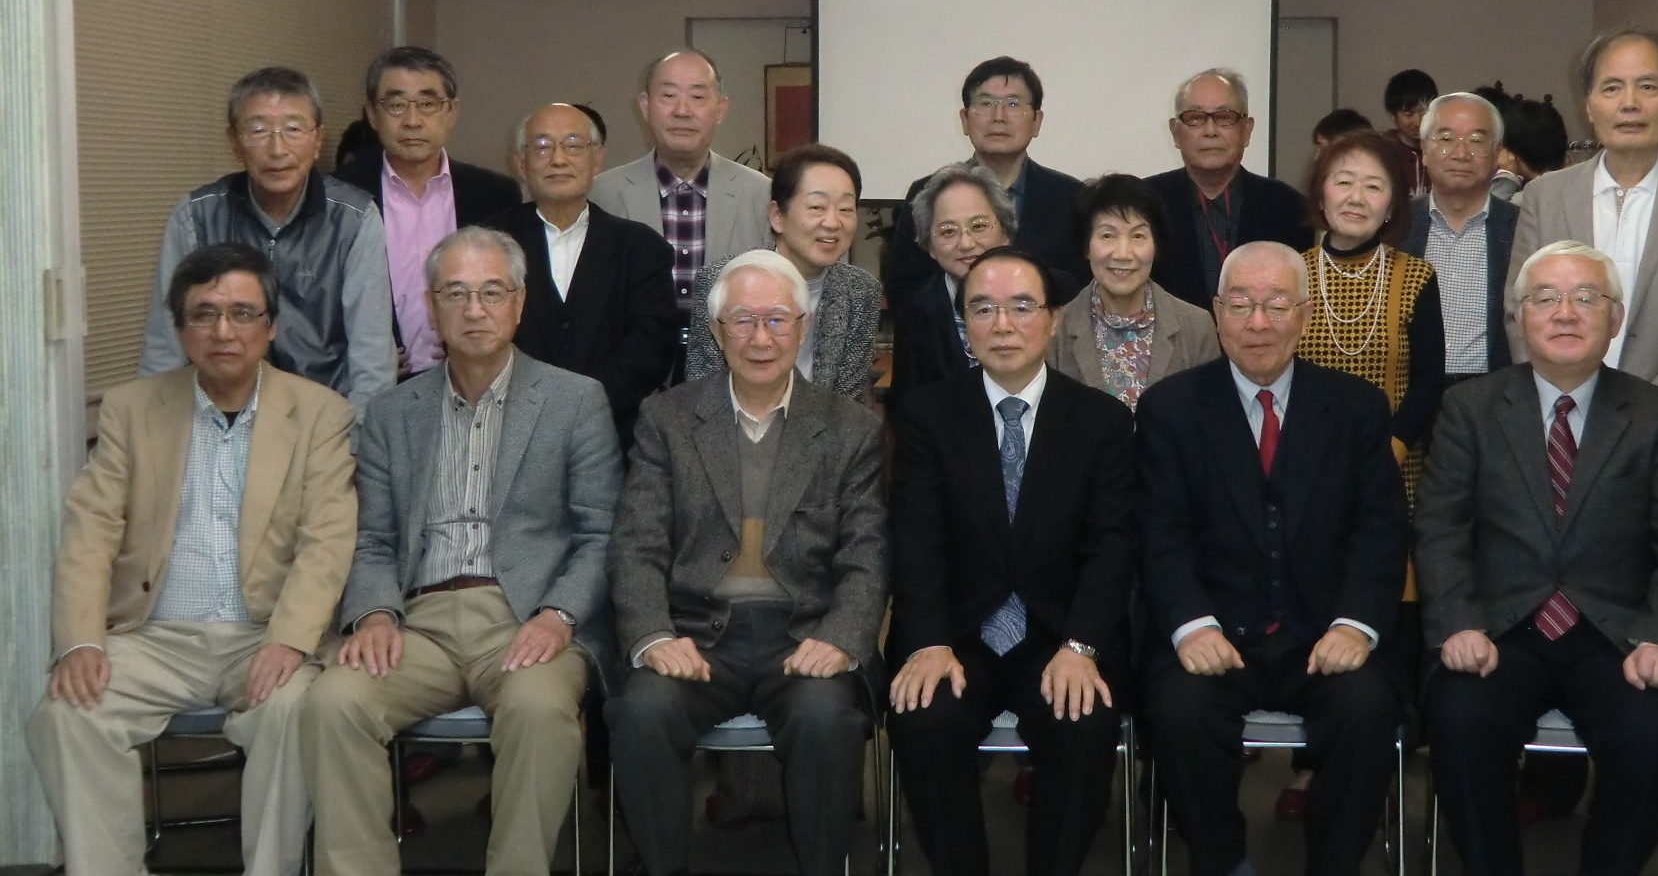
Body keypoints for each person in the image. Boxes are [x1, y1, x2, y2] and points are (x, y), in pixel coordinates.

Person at [301, 226, 621, 876]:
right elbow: (373, 537)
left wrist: (558, 614)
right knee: (334, 702)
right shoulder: (393, 412)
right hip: (417, 625)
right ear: (430, 305)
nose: (475, 309)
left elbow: (602, 533)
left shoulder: (574, 399)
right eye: (456, 293)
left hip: (525, 618)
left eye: (492, 292)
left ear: (519, 303)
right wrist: (374, 613)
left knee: (538, 709)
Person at [30, 244, 355, 876]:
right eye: (204, 314)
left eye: (242, 313)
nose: (223, 331)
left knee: (293, 712)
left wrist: (291, 640)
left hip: (262, 635)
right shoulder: (132, 409)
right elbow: (90, 532)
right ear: (180, 329)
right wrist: (80, 642)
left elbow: (328, 539)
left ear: (271, 326)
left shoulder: (320, 413)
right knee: (66, 715)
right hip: (152, 638)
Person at [1414, 239, 1658, 876]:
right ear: (1519, 318)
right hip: (1499, 629)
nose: (1565, 313)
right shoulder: (1470, 408)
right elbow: (1440, 529)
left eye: (1585, 298)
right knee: (1459, 718)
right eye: (1545, 298)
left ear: (1615, 318)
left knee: (1657, 733)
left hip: (1615, 635)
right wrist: (1458, 624)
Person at [607, 251, 887, 876]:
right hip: (696, 632)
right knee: (642, 713)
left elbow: (867, 552)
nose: (761, 339)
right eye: (743, 321)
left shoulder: (850, 429)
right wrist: (653, 635)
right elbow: (636, 544)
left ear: (803, 327)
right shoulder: (668, 418)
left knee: (827, 720)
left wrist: (842, 638)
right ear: (716, 331)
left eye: (777, 320)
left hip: (803, 633)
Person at [1138, 241, 1407, 876]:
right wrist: (1191, 626)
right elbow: (1159, 532)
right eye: (1240, 304)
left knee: (1368, 709)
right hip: (1215, 632)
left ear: (1305, 316)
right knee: (1178, 712)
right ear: (1216, 313)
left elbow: (1380, 529)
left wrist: (1355, 625)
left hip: (1323, 632)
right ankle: (1222, 861)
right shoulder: (1170, 408)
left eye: (1277, 304)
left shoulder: (1356, 407)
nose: (1257, 322)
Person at [888, 247, 1138, 876]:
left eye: (1022, 307)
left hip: (1061, 633)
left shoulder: (1102, 421)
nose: (1002, 325)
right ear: (964, 325)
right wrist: (928, 641)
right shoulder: (925, 415)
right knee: (924, 715)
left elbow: (1112, 546)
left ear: (1053, 320)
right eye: (983, 309)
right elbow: (915, 540)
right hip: (956, 633)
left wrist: (1081, 646)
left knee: (1083, 720)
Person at [1507, 27, 1658, 433]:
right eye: (1612, 88)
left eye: (1648, 86)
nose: (1630, 103)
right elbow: (1519, 309)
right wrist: (1561, 398)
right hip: (1562, 423)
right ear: (1589, 105)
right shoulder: (1544, 196)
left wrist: (1648, 413)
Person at [140, 66, 396, 418]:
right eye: (258, 130)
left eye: (293, 129)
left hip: (322, 423)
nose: (277, 149)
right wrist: (159, 432)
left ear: (317, 140)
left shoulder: (354, 218)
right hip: (218, 418)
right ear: (234, 142)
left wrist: (352, 441)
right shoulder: (196, 216)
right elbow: (164, 348)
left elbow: (372, 357)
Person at [483, 102, 678, 445]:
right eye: (542, 147)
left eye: (573, 146)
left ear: (597, 160)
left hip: (612, 439)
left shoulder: (642, 247)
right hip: (506, 433)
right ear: (521, 164)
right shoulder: (486, 244)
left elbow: (650, 350)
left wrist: (581, 410)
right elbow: (477, 338)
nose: (558, 159)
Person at [337, 46, 523, 378]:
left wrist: (472, 342)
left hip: (470, 381)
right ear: (372, 114)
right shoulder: (340, 196)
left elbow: (510, 292)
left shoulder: (494, 194)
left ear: (451, 112)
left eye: (427, 104)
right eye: (396, 105)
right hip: (376, 387)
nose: (412, 121)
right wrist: (368, 358)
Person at [589, 50, 775, 363]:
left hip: (730, 373)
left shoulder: (761, 195)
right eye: (669, 96)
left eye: (698, 97)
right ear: (646, 106)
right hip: (630, 375)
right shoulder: (601, 194)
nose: (682, 111)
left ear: (721, 109)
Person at [1299, 130, 1443, 487]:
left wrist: (1387, 453)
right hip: (1301, 463)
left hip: (1391, 466)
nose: (1356, 198)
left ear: (1392, 206)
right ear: (1321, 195)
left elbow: (1428, 381)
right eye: (1343, 182)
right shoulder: (1290, 274)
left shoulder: (1416, 276)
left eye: (1374, 187)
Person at [885, 56, 1087, 311]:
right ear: (965, 119)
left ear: (1036, 122)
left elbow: (1084, 289)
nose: (998, 116)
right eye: (986, 103)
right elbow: (904, 290)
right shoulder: (928, 193)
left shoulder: (1071, 197)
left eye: (1013, 104)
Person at [687, 145, 883, 401]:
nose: (832, 222)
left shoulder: (861, 291)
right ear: (777, 215)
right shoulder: (721, 280)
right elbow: (702, 394)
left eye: (845, 209)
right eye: (817, 207)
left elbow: (848, 403)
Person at [1047, 173, 1220, 410]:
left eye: (1138, 236)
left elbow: (1210, 416)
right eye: (1108, 235)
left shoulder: (1197, 326)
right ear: (1086, 246)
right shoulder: (1054, 328)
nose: (1123, 254)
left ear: (1155, 245)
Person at [1147, 68, 1314, 307]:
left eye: (1224, 117)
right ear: (1175, 132)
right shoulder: (1144, 204)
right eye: (1195, 118)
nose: (1210, 131)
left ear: (1247, 130)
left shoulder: (1290, 209)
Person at [1400, 92, 1520, 385]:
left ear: (1497, 153)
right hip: (1409, 391)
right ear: (1424, 150)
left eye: (1477, 141)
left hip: (1493, 392)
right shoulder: (1396, 225)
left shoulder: (1521, 228)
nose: (1461, 153)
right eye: (1446, 138)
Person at [889, 163, 1015, 400]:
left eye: (979, 226)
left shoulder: (1046, 295)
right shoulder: (915, 314)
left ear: (1005, 232)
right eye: (948, 231)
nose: (966, 243)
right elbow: (906, 406)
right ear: (930, 246)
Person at [1494, 96, 1568, 203]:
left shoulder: (1527, 200)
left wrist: (1507, 175)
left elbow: (1491, 211)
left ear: (1513, 154)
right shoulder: (1579, 182)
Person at [1381, 68, 1436, 194]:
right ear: (1393, 115)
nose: (1418, 122)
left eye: (1424, 112)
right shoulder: (1382, 150)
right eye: (1408, 114)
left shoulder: (1441, 147)